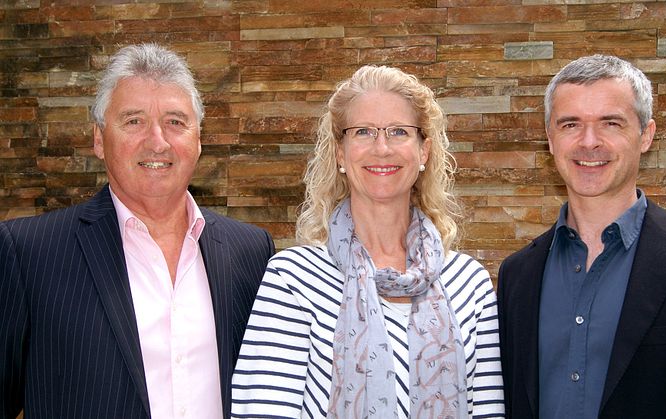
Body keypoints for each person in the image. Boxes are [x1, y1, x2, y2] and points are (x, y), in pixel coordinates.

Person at [0, 43, 275, 419]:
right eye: (134, 121)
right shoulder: (28, 253)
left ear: (198, 139)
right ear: (99, 139)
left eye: (175, 122)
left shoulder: (252, 252)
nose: (157, 141)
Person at [231, 65, 504, 418]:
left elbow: (489, 413)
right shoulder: (293, 279)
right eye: (362, 132)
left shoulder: (469, 283)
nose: (382, 148)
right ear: (340, 153)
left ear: (424, 151)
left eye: (398, 132)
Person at [497, 54, 666, 419]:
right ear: (550, 140)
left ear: (646, 135)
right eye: (570, 125)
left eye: (611, 123)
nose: (589, 142)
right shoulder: (517, 274)